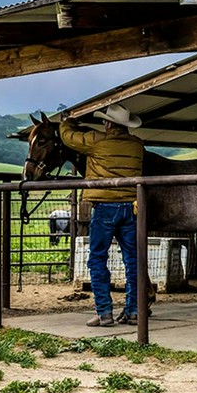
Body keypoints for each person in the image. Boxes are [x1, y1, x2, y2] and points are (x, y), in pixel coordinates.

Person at [60, 104, 144, 327]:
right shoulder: (137, 144)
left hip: (105, 207)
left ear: (107, 123)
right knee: (133, 261)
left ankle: (104, 312)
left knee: (97, 258)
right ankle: (134, 311)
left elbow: (68, 137)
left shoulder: (98, 140)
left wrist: (67, 121)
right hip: (131, 207)